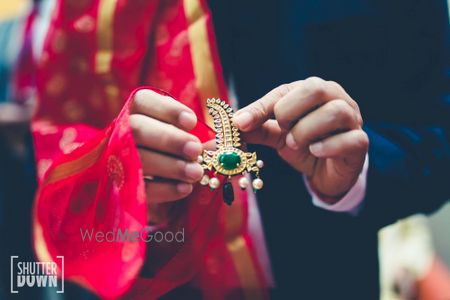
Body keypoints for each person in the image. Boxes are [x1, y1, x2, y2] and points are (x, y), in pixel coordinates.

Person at [23, 0, 449, 299]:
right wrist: (115, 175)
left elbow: (438, 130)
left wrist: (356, 174)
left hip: (318, 280)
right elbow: (57, 138)